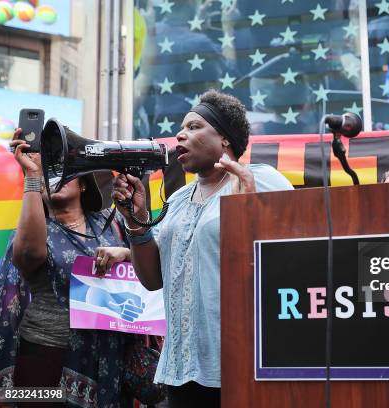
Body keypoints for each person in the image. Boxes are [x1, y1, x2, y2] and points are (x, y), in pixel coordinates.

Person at [110, 89, 293, 407]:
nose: (180, 134)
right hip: (182, 369)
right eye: (181, 128)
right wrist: (137, 221)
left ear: (225, 139)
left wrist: (248, 210)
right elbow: (154, 279)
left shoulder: (262, 180)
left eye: (194, 127)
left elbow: (290, 262)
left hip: (240, 365)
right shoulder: (178, 200)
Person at [0, 129, 134, 407]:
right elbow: (29, 254)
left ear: (83, 184)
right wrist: (32, 177)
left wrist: (126, 253)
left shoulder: (114, 224)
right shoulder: (31, 230)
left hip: (107, 357)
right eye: (46, 175)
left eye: (62, 171)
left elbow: (148, 269)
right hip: (44, 359)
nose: (53, 178)